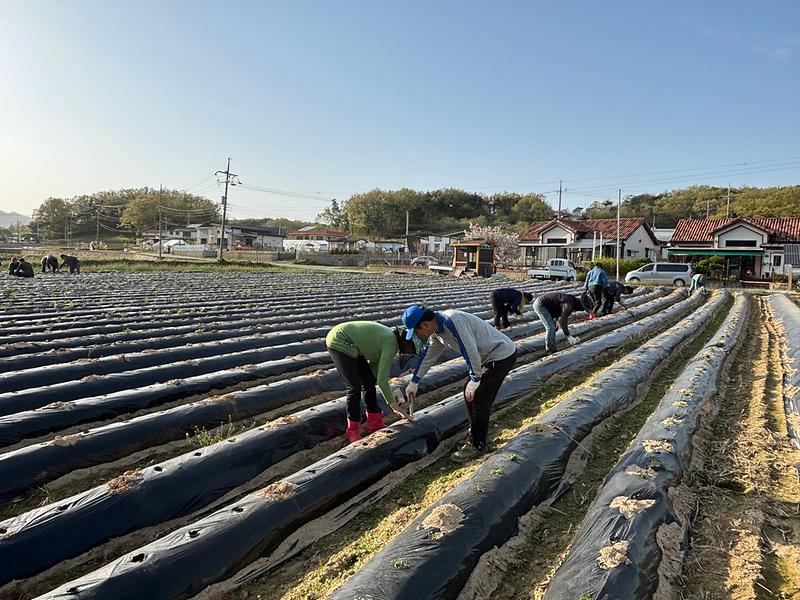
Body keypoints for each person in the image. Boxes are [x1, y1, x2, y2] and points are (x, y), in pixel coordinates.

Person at [402, 305, 517, 461]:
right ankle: (474, 435)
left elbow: (470, 350)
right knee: (469, 394)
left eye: (417, 332)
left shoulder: (452, 321)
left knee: (479, 397)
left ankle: (477, 445)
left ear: (425, 324)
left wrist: (475, 379)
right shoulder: (437, 332)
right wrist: (414, 381)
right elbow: (429, 356)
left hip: (501, 354)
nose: (419, 335)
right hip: (488, 357)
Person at [326, 321, 417, 443]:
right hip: (340, 340)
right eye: (409, 350)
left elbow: (376, 375)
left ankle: (374, 422)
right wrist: (395, 406)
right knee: (354, 387)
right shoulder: (390, 344)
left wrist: (393, 396)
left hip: (355, 345)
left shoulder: (387, 342)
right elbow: (382, 381)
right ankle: (353, 429)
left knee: (369, 382)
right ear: (405, 344)